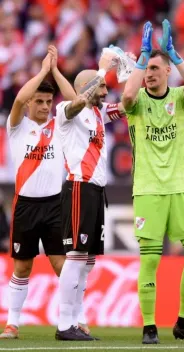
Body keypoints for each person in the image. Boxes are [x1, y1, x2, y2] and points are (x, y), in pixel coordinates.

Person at [121, 20, 184, 344]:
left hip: (181, 188)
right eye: (148, 69)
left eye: (157, 68)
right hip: (148, 190)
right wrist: (143, 56)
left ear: (168, 71)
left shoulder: (180, 98)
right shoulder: (135, 104)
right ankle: (149, 326)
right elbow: (129, 93)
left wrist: (174, 55)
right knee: (150, 259)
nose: (150, 74)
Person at [0, 46, 78, 339]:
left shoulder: (60, 126)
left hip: (55, 205)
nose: (46, 106)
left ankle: (73, 320)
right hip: (26, 206)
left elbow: (75, 100)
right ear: (31, 102)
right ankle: (12, 324)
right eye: (41, 101)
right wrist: (43, 71)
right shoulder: (17, 127)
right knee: (22, 267)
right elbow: (19, 98)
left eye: (49, 101)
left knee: (63, 266)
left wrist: (55, 72)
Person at [54, 47, 127, 341]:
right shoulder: (66, 112)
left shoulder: (98, 114)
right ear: (88, 87)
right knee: (75, 255)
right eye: (102, 87)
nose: (106, 91)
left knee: (89, 259)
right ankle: (63, 324)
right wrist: (101, 69)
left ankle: (78, 318)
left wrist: (140, 68)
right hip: (79, 187)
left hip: (96, 190)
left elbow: (127, 105)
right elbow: (76, 103)